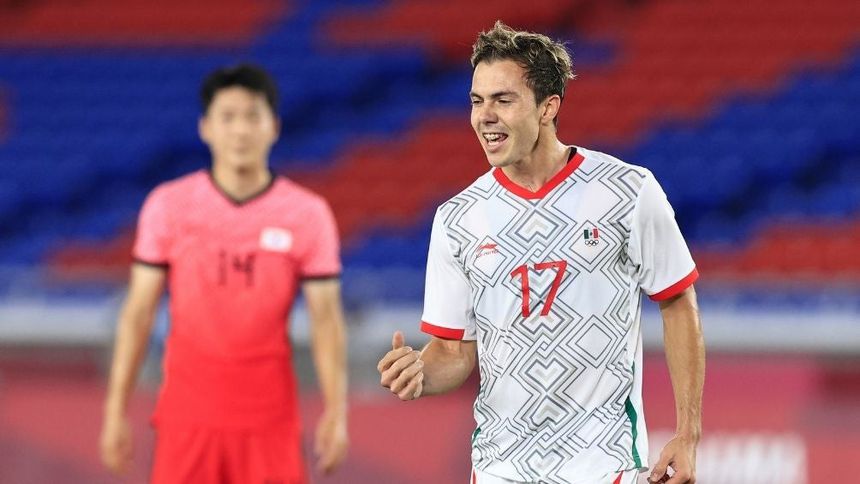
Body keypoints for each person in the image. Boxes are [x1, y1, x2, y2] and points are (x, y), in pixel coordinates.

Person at [378, 22, 704, 484]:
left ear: (548, 107)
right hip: (499, 468)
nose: (485, 116)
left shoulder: (626, 192)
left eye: (503, 100)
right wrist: (419, 374)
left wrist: (687, 433)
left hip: (602, 464)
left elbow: (678, 302)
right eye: (477, 101)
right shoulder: (458, 218)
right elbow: (453, 352)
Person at [99, 64, 348, 483]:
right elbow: (138, 312)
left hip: (270, 421)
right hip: (187, 418)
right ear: (206, 127)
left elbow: (326, 319)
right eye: (227, 117)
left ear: (274, 126)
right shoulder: (169, 206)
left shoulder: (307, 214)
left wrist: (336, 411)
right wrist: (115, 409)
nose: (241, 130)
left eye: (253, 116)